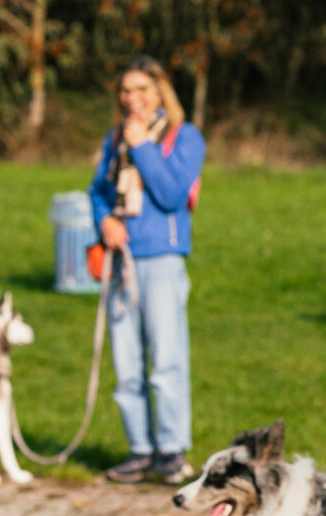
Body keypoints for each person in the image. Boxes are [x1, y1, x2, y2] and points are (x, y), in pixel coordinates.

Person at [88, 55, 205, 485]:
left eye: (142, 89)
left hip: (162, 260)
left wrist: (142, 147)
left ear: (160, 92)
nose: (133, 98)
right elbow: (99, 190)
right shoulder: (114, 138)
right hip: (123, 260)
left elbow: (172, 193)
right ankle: (140, 448)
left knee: (167, 359)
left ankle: (172, 450)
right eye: (126, 90)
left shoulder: (184, 137)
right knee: (126, 360)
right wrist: (104, 220)